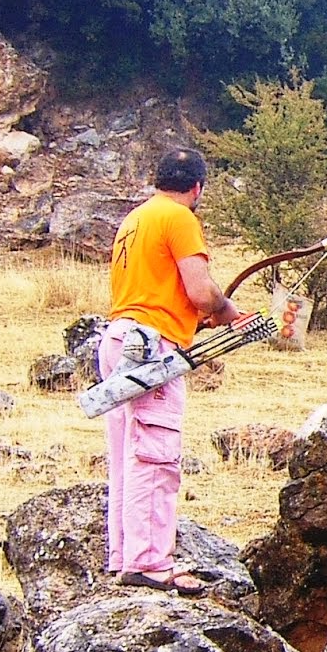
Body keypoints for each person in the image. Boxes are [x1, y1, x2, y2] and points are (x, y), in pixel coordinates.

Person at [98, 148, 246, 595]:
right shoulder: (180, 219)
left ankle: (126, 556)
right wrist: (226, 310)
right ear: (197, 187)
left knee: (127, 453)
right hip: (151, 346)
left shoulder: (136, 219)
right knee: (155, 454)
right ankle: (149, 562)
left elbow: (160, 291)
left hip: (119, 338)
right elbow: (201, 293)